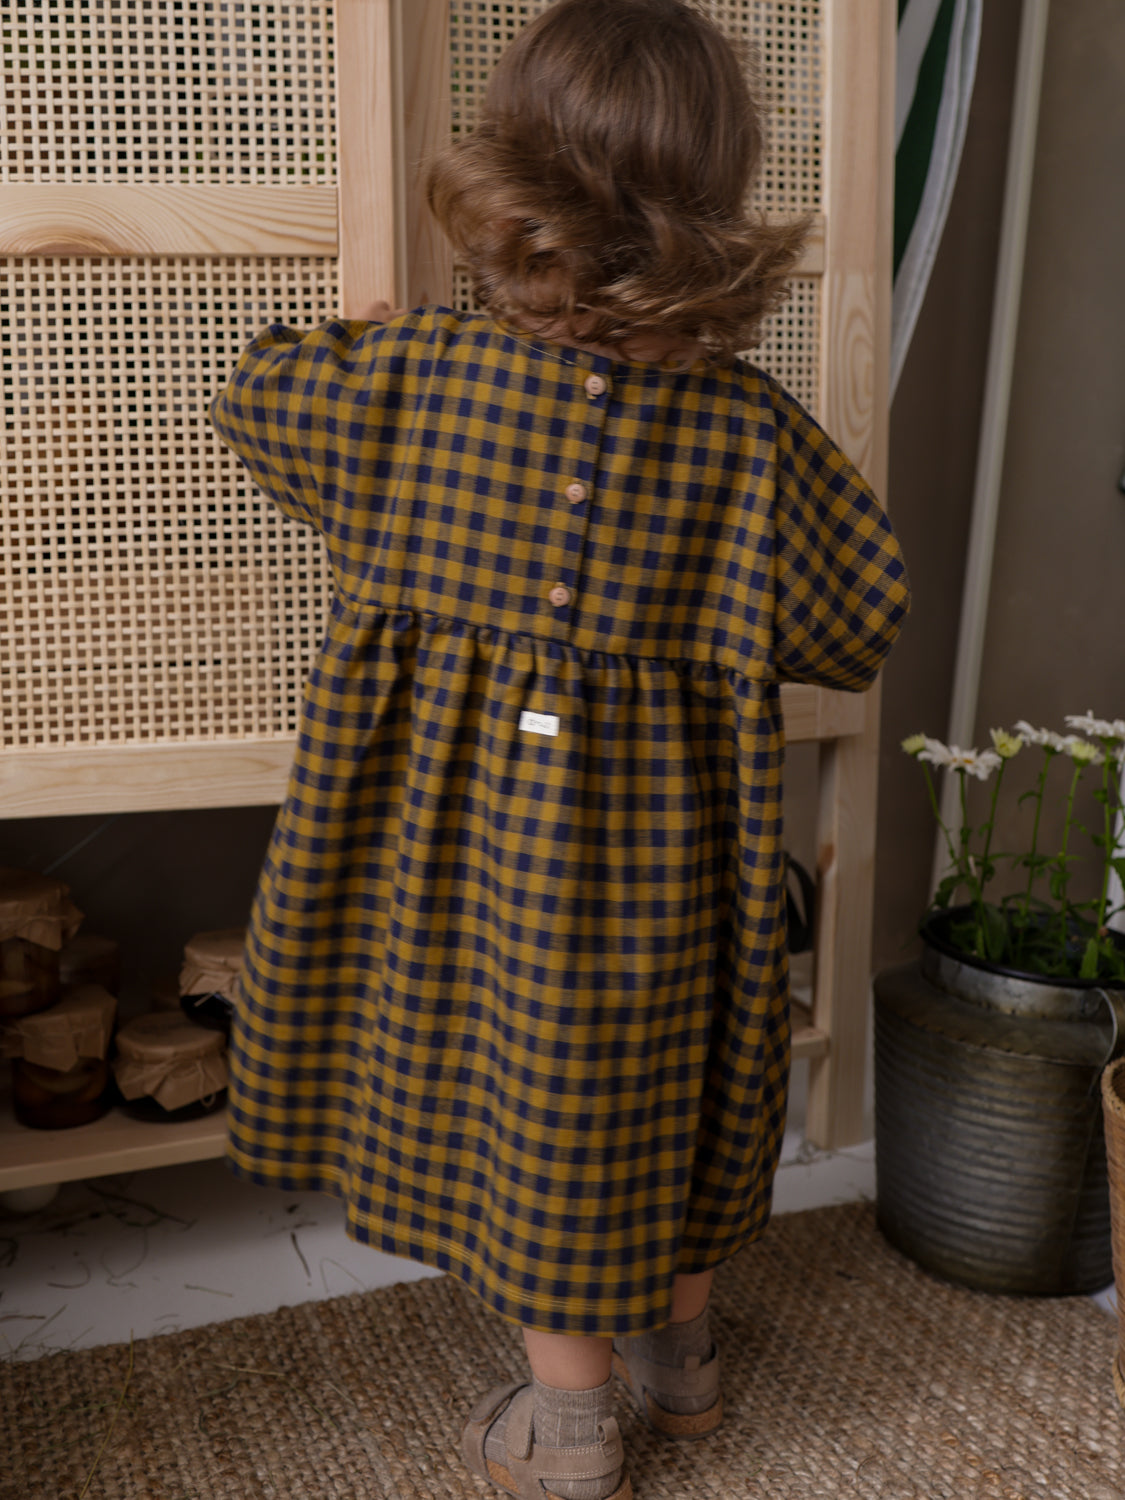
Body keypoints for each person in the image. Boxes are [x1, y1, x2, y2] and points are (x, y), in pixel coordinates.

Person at [209, 2, 910, 1496]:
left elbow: (253, 397)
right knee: (654, 1087)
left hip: (459, 861)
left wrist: (373, 338)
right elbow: (859, 617)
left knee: (538, 1101)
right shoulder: (750, 436)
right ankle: (683, 1362)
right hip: (671, 868)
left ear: (514, 173)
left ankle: (573, 1423)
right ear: (712, 196)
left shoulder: (407, 386)